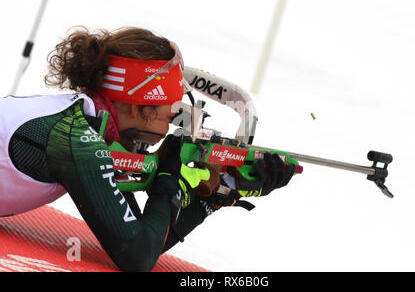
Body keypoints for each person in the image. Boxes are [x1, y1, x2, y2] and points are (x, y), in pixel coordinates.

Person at [0, 26, 295, 272]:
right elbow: (136, 255)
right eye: (171, 113)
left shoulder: (90, 128)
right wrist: (170, 176)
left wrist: (220, 193)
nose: (172, 125)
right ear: (140, 107)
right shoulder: (77, 140)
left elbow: (145, 238)